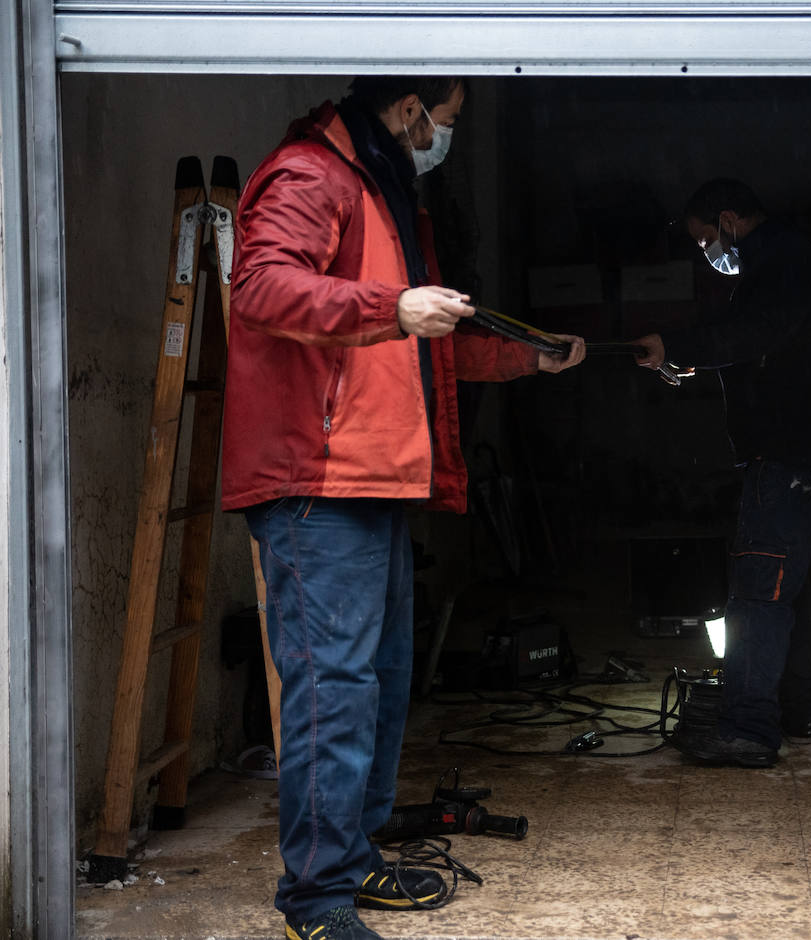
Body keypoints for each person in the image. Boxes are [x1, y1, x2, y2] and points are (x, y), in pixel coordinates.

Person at [222, 76, 585, 939]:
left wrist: (523, 363)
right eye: (448, 119)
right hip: (319, 482)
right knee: (330, 692)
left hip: (373, 480)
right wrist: (393, 305)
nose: (444, 139)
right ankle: (314, 904)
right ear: (413, 107)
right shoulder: (313, 174)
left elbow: (417, 352)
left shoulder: (384, 193)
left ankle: (350, 861)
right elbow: (263, 288)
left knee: (378, 682)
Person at [633, 178, 811, 768]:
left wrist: (676, 344)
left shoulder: (781, 262)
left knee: (757, 590)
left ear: (728, 219)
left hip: (786, 453)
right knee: (785, 590)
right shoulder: (779, 262)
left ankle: (749, 729)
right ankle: (797, 711)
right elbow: (762, 351)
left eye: (706, 242)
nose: (708, 254)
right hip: (795, 450)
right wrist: (695, 359)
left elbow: (750, 336)